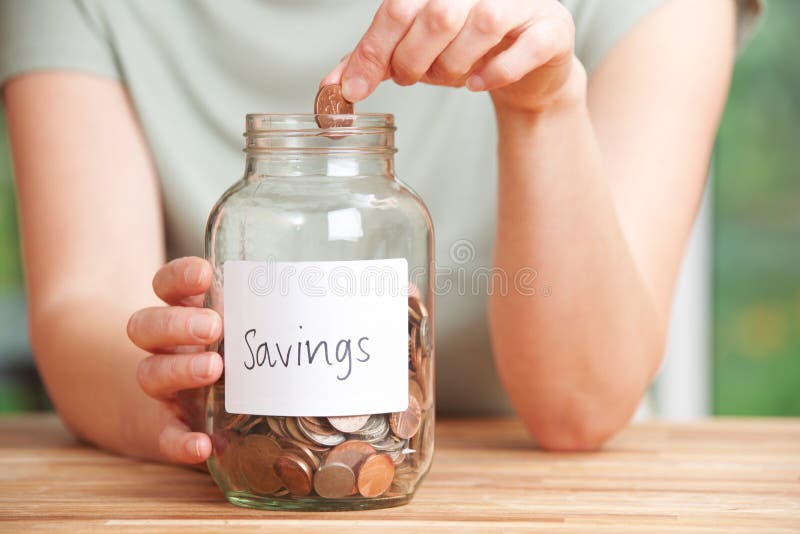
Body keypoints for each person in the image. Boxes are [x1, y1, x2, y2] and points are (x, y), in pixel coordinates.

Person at [1, 0, 760, 464]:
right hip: (241, 455)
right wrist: (172, 387)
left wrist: (543, 108)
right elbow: (83, 305)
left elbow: (579, 406)